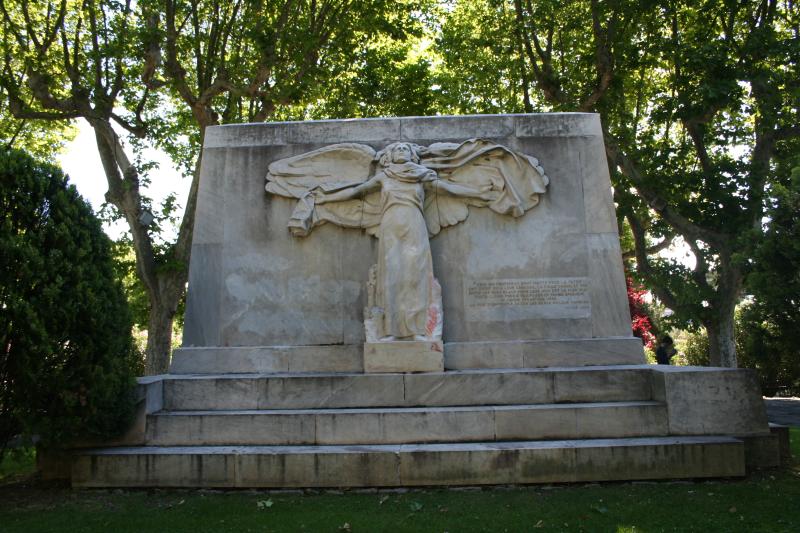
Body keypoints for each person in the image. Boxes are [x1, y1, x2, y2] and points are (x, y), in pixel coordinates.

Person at [314, 142, 496, 340]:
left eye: (405, 149)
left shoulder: (422, 175)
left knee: (415, 275)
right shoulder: (384, 176)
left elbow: (449, 189)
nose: (401, 150)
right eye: (397, 149)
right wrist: (327, 199)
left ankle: (418, 330)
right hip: (390, 225)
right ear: (390, 156)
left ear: (412, 155)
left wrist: (478, 193)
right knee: (390, 276)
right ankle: (390, 331)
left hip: (414, 223)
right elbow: (356, 191)